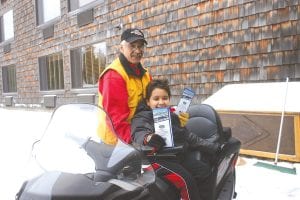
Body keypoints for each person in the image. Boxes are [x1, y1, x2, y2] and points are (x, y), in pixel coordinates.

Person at [131, 79, 220, 200]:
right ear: (148, 101)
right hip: (156, 160)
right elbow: (139, 133)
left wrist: (210, 147)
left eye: (164, 98)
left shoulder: (171, 115)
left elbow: (186, 135)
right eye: (156, 99)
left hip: (176, 155)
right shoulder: (142, 117)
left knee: (203, 171)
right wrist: (149, 138)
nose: (161, 102)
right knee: (186, 182)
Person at [97, 28, 151, 145]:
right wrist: (139, 140)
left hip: (137, 134)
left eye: (140, 46)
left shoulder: (145, 74)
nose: (137, 51)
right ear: (121, 48)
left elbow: (153, 102)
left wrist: (171, 116)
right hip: (116, 143)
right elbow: (116, 121)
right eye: (132, 46)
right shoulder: (114, 76)